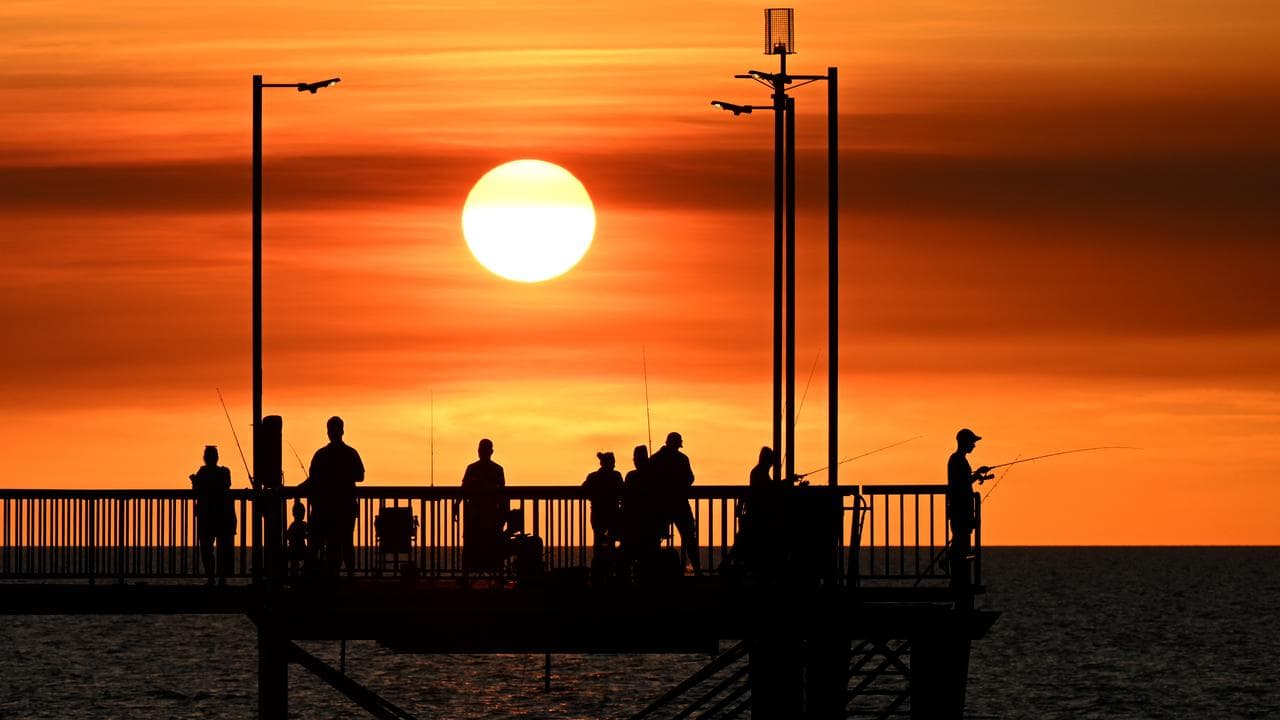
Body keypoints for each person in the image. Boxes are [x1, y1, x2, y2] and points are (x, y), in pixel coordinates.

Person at [299, 416, 365, 576]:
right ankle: (349, 575)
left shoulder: (321, 455)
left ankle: (319, 576)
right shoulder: (350, 453)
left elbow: (312, 480)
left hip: (324, 508)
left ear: (328, 432)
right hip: (346, 507)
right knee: (346, 543)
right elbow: (360, 476)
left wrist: (297, 490)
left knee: (319, 543)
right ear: (342, 431)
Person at [947, 428, 992, 599]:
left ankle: (958, 579)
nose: (974, 445)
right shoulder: (957, 459)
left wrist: (977, 473)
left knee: (961, 544)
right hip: (960, 510)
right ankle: (957, 580)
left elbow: (963, 481)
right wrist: (977, 475)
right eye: (972, 441)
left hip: (961, 510)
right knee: (960, 545)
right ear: (964, 442)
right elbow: (961, 484)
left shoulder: (959, 460)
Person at [453, 438, 507, 577]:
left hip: (481, 517)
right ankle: (496, 576)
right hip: (483, 517)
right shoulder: (495, 469)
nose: (481, 452)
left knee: (474, 547)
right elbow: (503, 496)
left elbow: (463, 489)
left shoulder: (474, 469)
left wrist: (456, 505)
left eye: (482, 450)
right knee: (487, 547)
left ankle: (468, 576)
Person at [650, 431, 700, 574]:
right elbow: (690, 479)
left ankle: (653, 569)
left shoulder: (655, 459)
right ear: (678, 444)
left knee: (654, 538)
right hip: (680, 504)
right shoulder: (682, 459)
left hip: (660, 506)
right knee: (690, 535)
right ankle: (696, 568)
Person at [189, 445, 235, 586]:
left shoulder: (202, 472)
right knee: (222, 548)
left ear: (205, 458)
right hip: (222, 516)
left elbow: (196, 490)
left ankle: (211, 577)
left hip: (207, 516)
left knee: (207, 548)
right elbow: (226, 485)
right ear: (217, 457)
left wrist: (195, 481)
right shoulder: (224, 472)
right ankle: (221, 577)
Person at [583, 451, 623, 580]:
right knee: (610, 544)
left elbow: (583, 491)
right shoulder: (616, 476)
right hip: (612, 516)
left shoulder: (593, 477)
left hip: (597, 516)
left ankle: (598, 574)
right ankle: (610, 573)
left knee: (598, 545)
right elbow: (622, 493)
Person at [621, 445, 660, 577]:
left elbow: (625, 498)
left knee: (627, 553)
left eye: (635, 458)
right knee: (650, 556)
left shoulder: (631, 476)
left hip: (632, 524)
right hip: (651, 524)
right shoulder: (655, 476)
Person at [286, 499, 311, 577]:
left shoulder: (292, 525)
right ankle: (304, 573)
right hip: (301, 548)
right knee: (309, 555)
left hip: (292, 549)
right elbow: (308, 534)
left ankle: (294, 574)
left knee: (294, 562)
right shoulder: (303, 524)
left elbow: (288, 535)